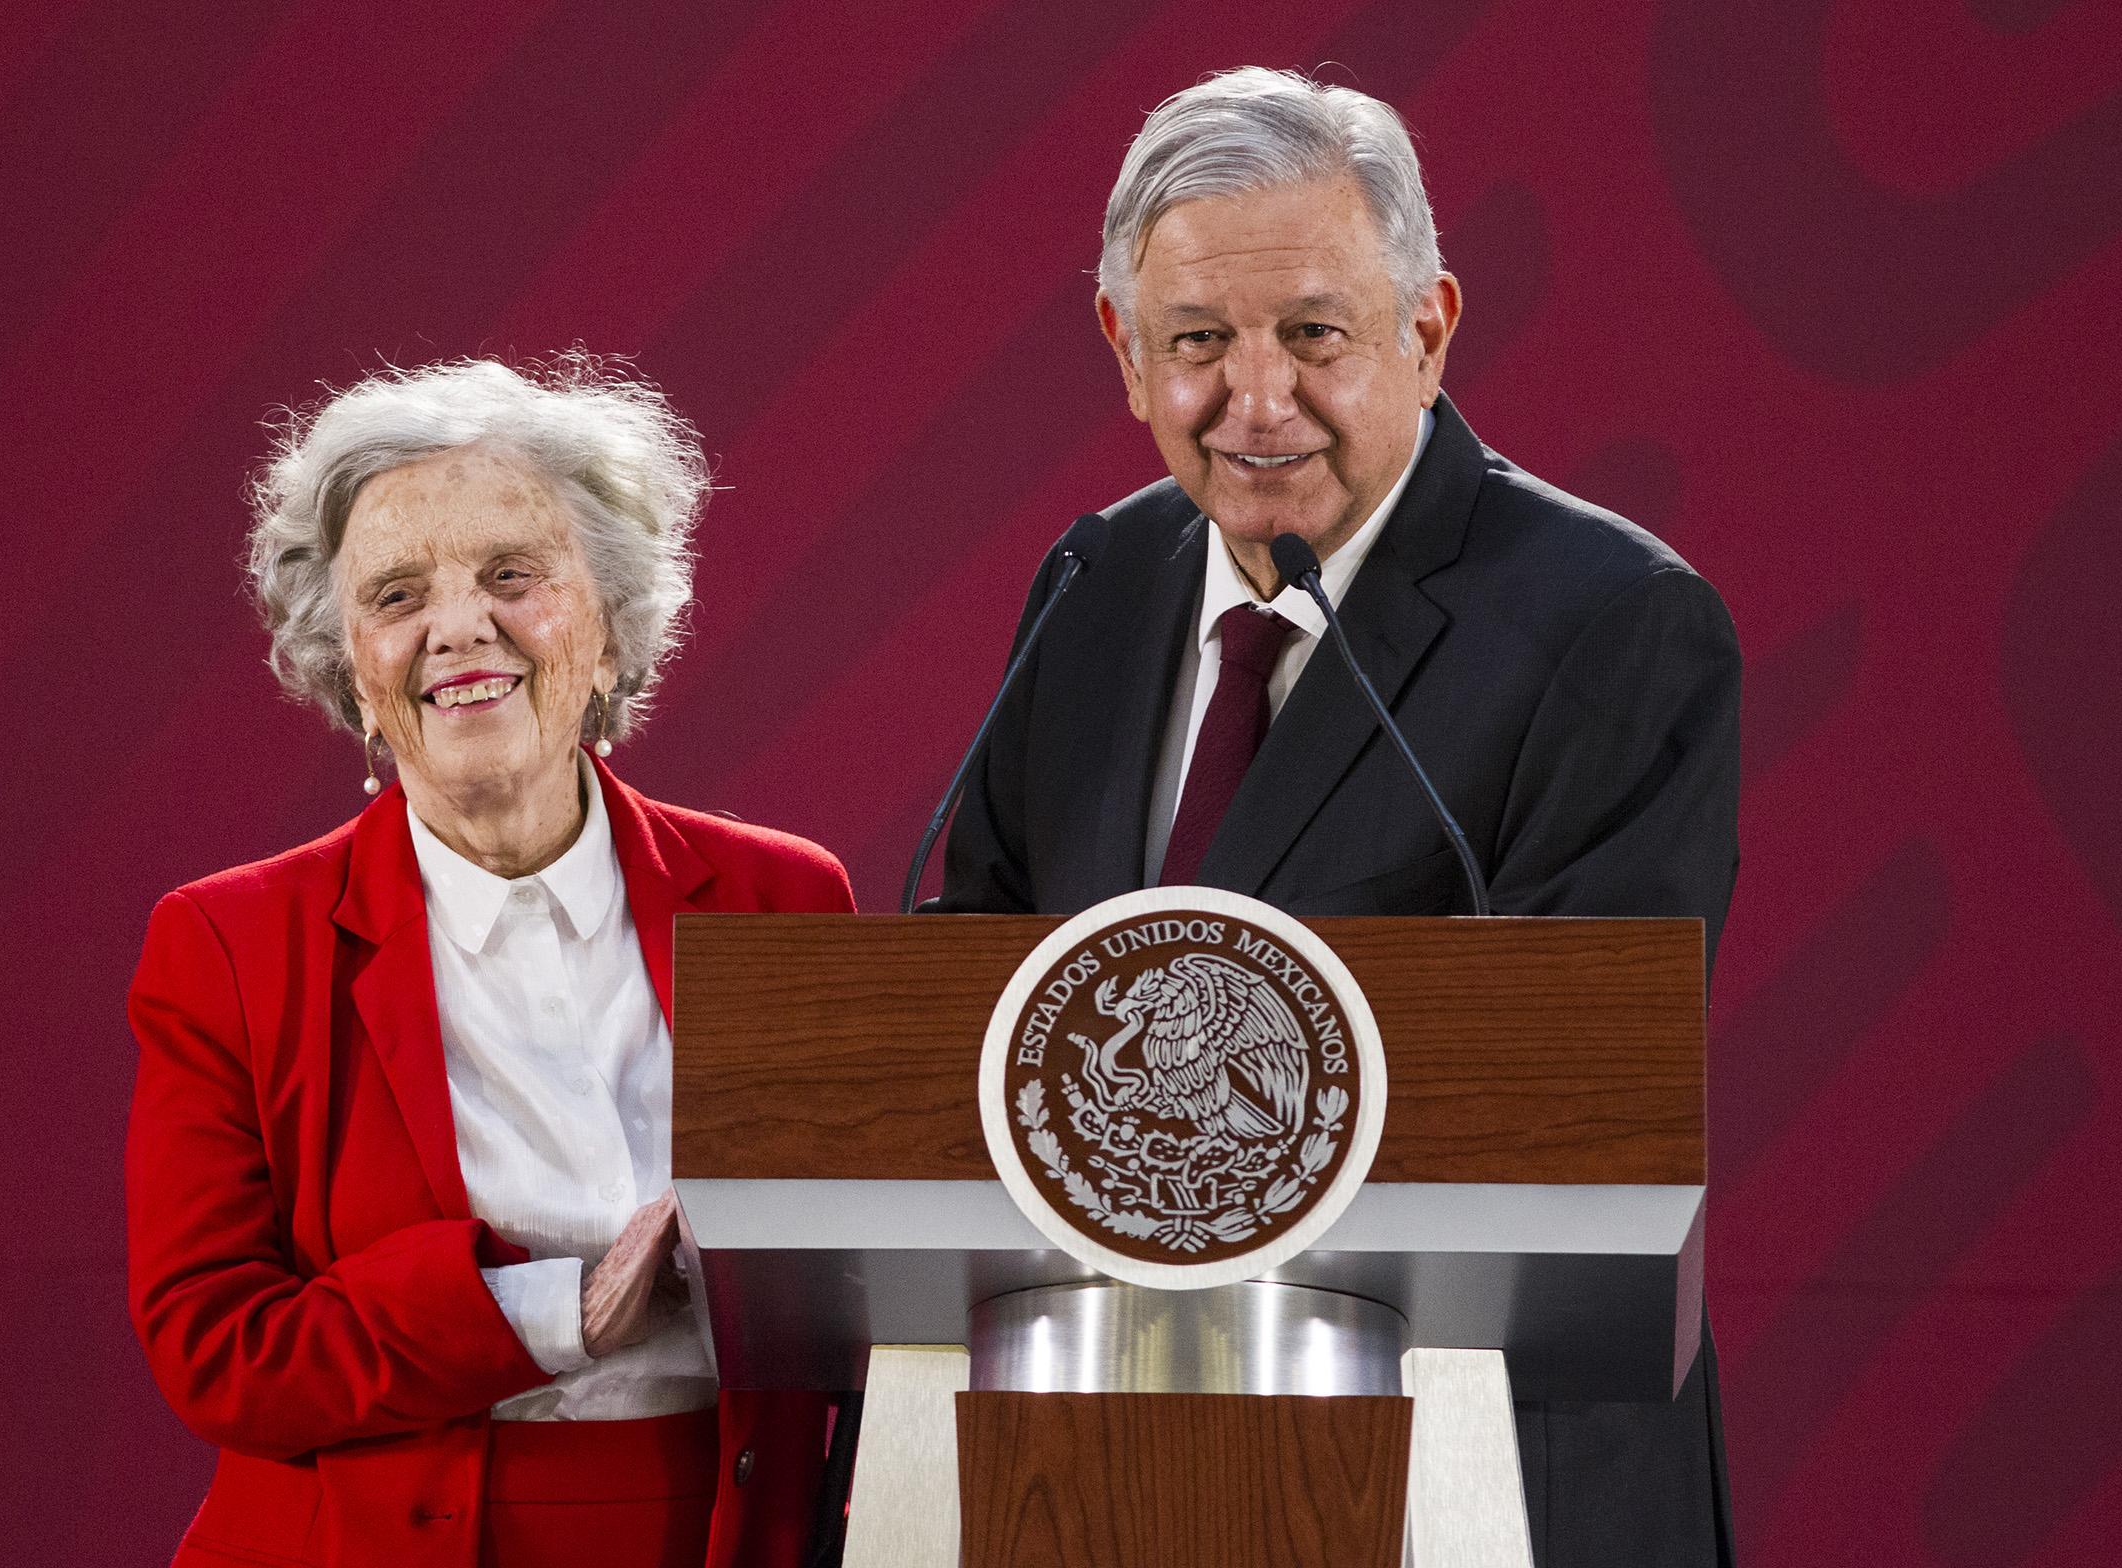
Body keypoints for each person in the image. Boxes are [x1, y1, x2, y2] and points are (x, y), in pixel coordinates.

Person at [935, 69, 1741, 1566]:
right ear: (1123, 351)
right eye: (1196, 344)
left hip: (1479, 1469)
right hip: (1108, 1452)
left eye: (1312, 333)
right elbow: (968, 982)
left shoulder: (1612, 623)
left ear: (1426, 329)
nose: (1255, 399)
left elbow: (1572, 1081)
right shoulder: (1094, 591)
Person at [127, 358, 851, 1568]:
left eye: (511, 575)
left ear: (613, 627)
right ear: (351, 665)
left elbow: (860, 1282)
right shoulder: (229, 944)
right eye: (399, 592)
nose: (458, 625)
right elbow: (216, 1348)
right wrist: (553, 1311)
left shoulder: (787, 897)